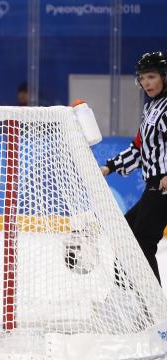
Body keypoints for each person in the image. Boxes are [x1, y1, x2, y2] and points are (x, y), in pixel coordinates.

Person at [101, 51, 167, 284]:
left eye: (151, 76)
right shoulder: (151, 109)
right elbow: (138, 149)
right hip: (155, 185)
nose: (146, 82)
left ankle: (153, 308)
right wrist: (109, 166)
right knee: (126, 233)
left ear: (164, 77)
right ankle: (126, 296)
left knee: (142, 240)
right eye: (142, 77)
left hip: (163, 185)